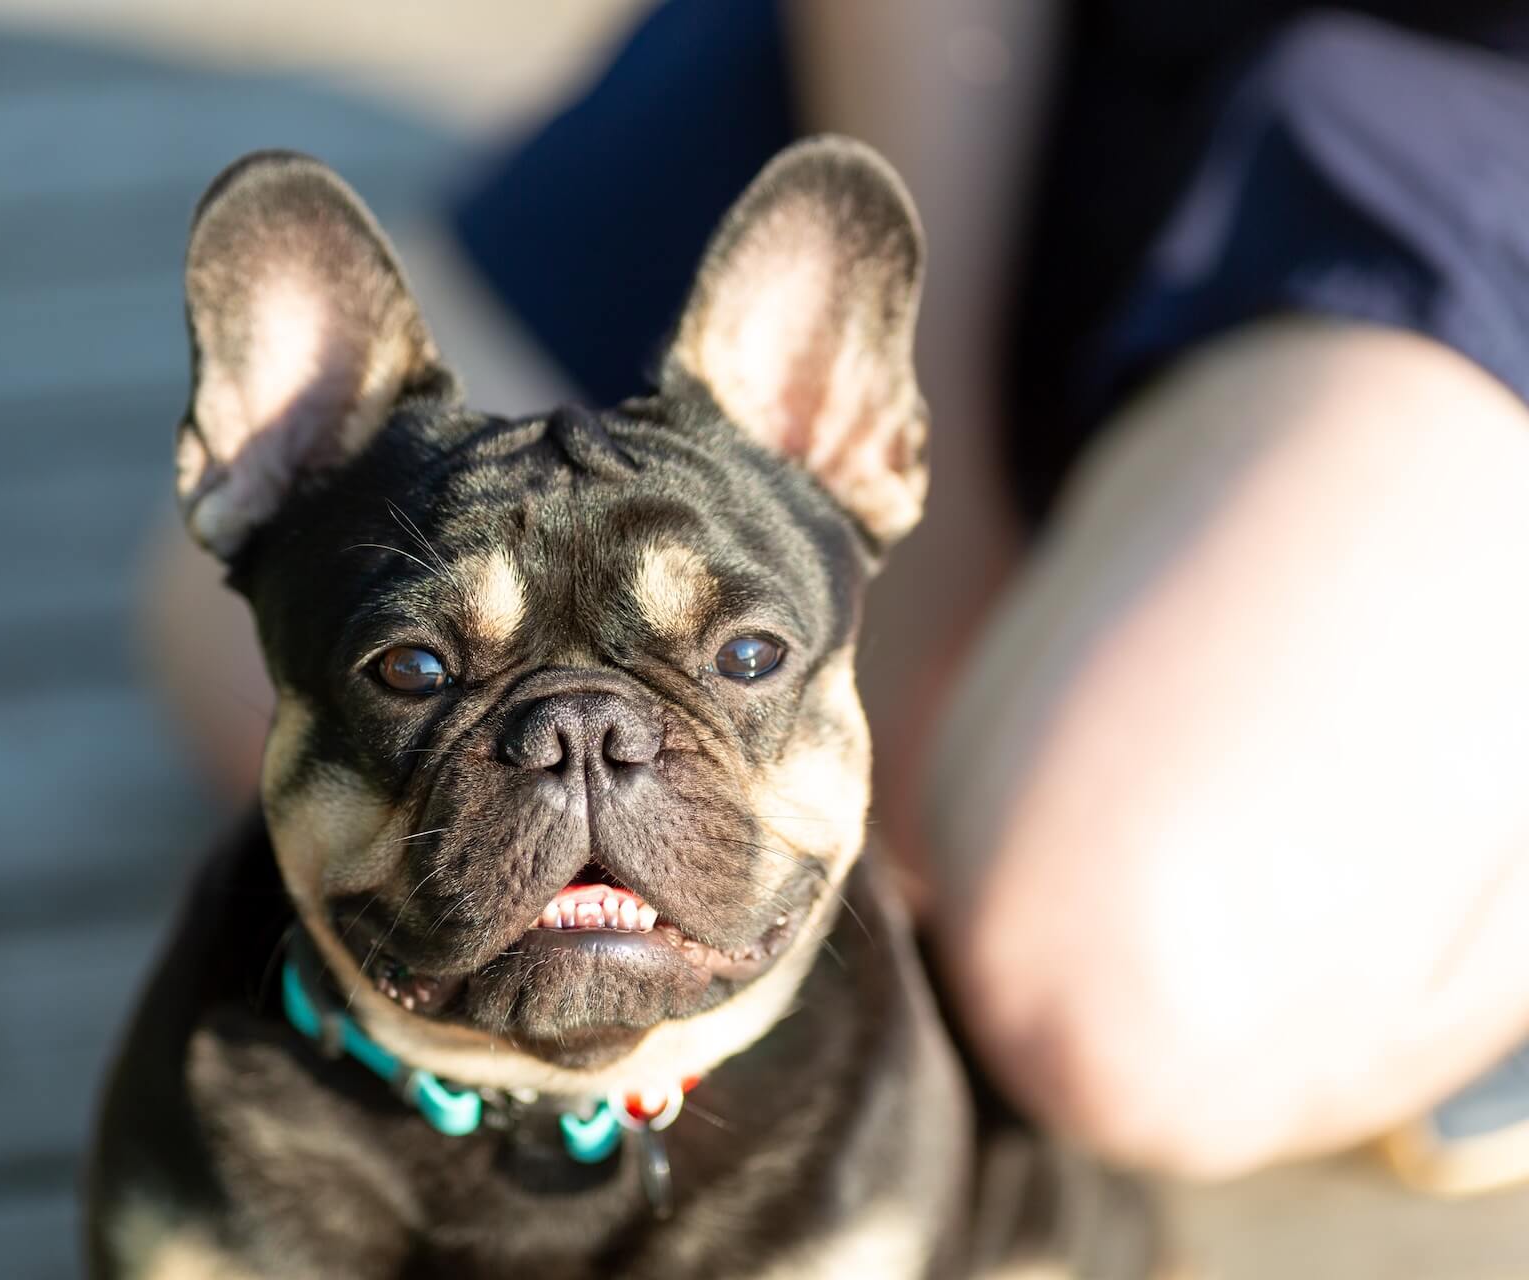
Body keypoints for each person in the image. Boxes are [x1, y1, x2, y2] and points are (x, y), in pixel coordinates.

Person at [142, 0, 1529, 1188]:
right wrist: (941, 519)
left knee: (1119, 998)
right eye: (429, 672)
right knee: (245, 636)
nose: (584, 753)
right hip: (1031, 56)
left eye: (736, 655)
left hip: (1457, 83)